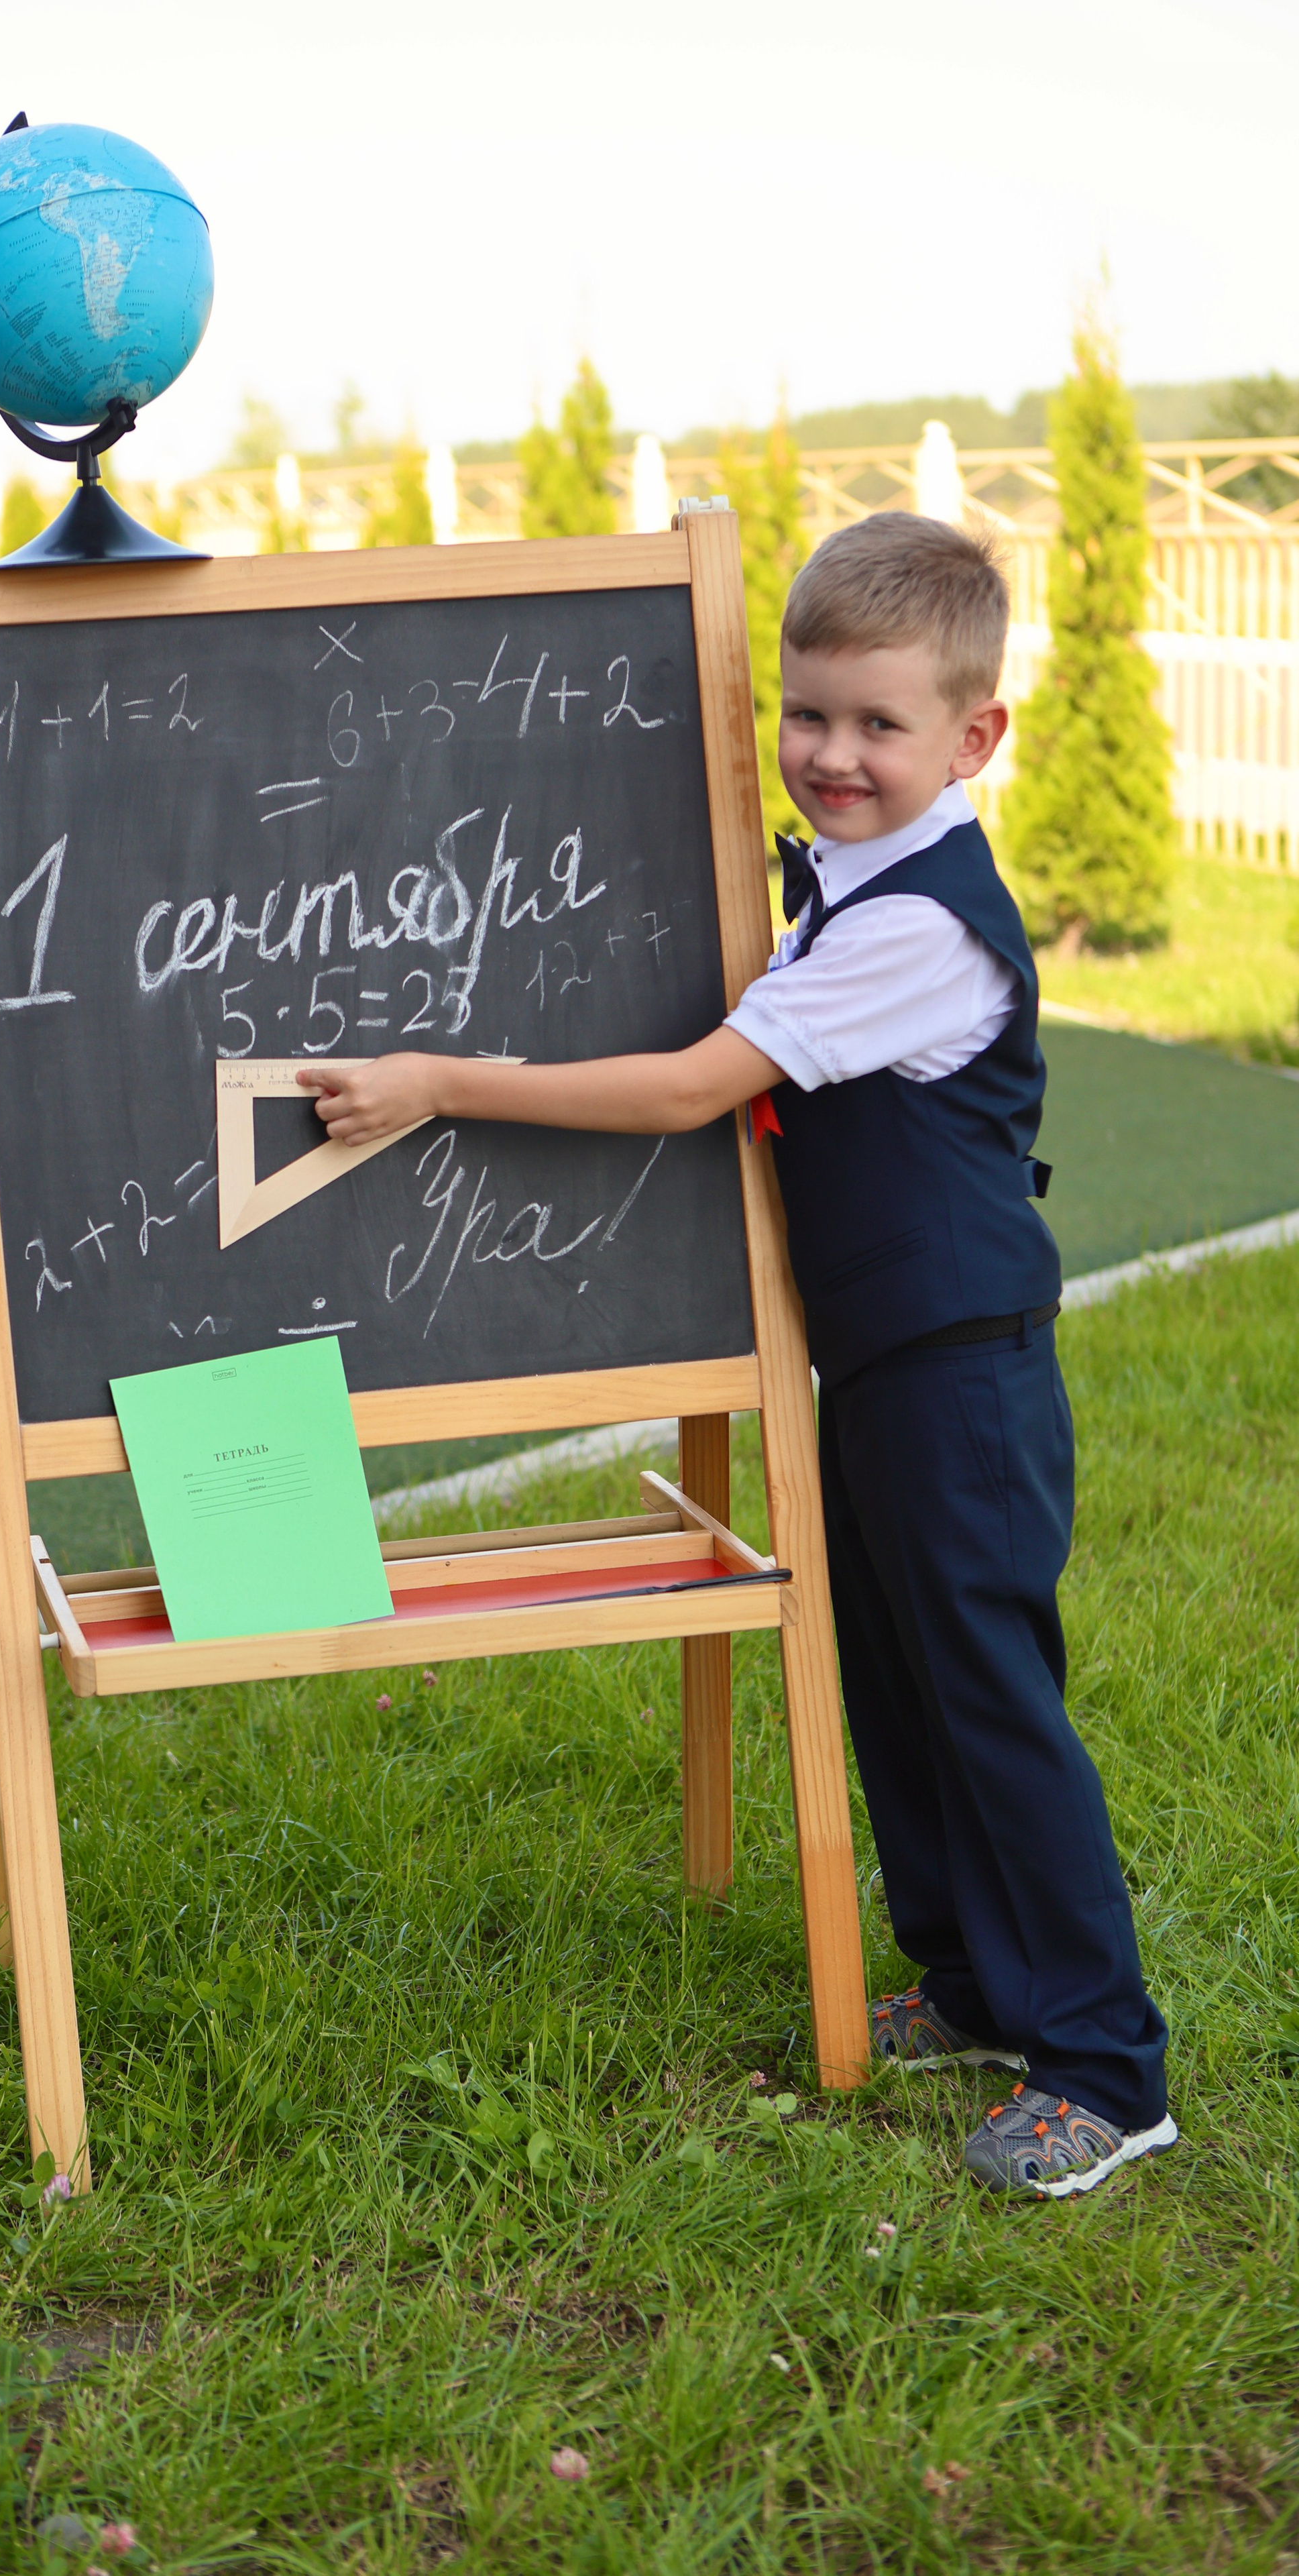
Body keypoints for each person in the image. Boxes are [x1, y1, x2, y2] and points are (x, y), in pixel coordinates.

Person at [298, 511, 1174, 2199]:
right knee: (899, 1684)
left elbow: (696, 1086)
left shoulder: (921, 928)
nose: (830, 756)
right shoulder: (843, 878)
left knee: (992, 1706)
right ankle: (979, 1988)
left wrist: (442, 1081)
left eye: (877, 725)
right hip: (885, 1360)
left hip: (961, 1371)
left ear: (972, 735)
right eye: (806, 714)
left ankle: (1105, 2064)